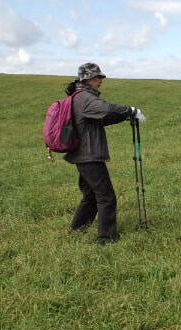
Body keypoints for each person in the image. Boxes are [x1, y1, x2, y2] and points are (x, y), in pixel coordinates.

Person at [63, 62, 146, 245]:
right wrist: (130, 110)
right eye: (98, 77)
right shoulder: (84, 97)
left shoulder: (79, 97)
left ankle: (77, 229)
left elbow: (103, 118)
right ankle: (105, 238)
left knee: (91, 194)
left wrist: (125, 116)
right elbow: (106, 109)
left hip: (83, 154)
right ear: (89, 78)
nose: (100, 81)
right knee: (106, 196)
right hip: (89, 155)